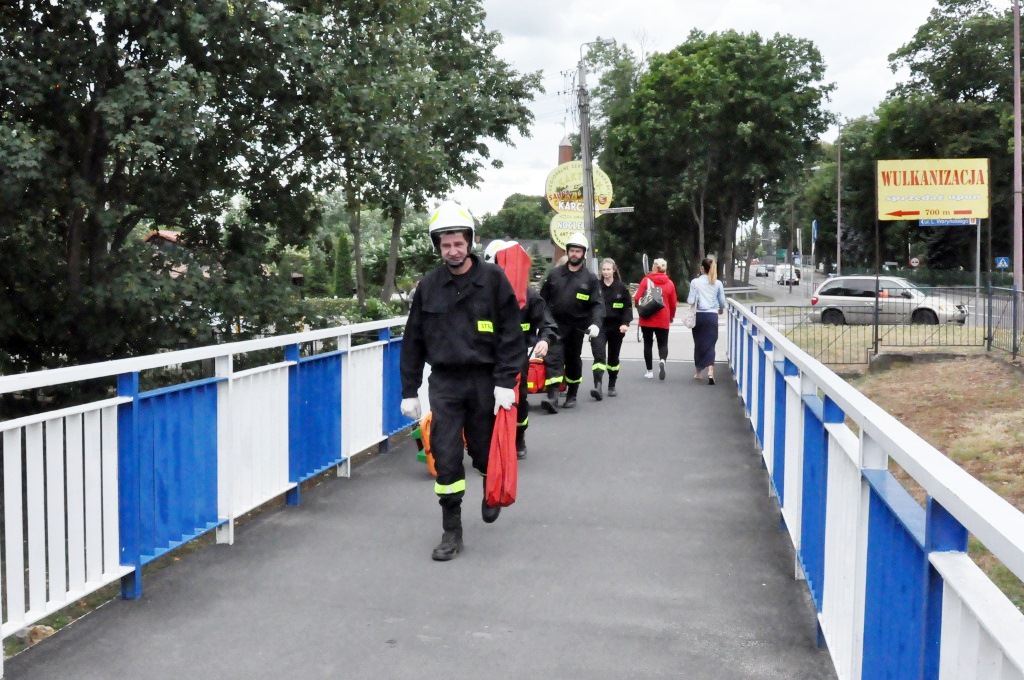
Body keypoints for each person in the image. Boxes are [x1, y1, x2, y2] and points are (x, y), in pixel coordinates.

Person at [400, 203, 523, 561]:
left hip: (486, 381)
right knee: (446, 455)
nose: (453, 250)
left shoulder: (493, 280)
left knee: (484, 450)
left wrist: (505, 381)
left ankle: (489, 485)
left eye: (458, 243)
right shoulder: (429, 287)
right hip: (446, 384)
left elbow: (511, 335)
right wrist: (409, 391)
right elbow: (413, 341)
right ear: (437, 247)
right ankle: (451, 530)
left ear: (469, 241)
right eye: (446, 245)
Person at [483, 240, 557, 460]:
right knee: (484, 399)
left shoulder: (529, 296)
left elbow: (547, 323)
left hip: (516, 357)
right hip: (484, 356)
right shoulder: (481, 294)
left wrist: (545, 340)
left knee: (519, 398)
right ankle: (489, 442)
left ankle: (518, 437)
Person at [539, 232, 604, 410]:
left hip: (577, 328)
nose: (574, 254)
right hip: (555, 326)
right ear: (567, 251)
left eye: (578, 251)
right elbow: (542, 300)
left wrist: (595, 324)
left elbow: (597, 304)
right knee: (553, 358)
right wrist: (543, 320)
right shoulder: (555, 274)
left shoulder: (590, 278)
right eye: (572, 250)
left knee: (573, 360)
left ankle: (572, 394)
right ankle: (552, 396)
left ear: (584, 253)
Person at [590, 257, 632, 398]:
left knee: (613, 358)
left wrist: (625, 324)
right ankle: (597, 386)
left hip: (616, 328)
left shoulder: (621, 288)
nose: (606, 272)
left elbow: (627, 308)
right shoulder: (596, 287)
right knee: (599, 356)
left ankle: (612, 384)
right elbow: (589, 306)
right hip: (599, 326)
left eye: (608, 269)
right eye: (603, 269)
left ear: (613, 270)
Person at [633, 258, 678, 381]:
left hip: (647, 317)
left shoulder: (646, 280)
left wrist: (639, 307)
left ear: (655, 267)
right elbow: (673, 303)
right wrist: (671, 316)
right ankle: (662, 360)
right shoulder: (670, 283)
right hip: (663, 317)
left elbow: (637, 297)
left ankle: (649, 371)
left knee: (647, 344)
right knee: (663, 344)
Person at [688, 257, 727, 385]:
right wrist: (720, 309)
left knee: (698, 343)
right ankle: (710, 371)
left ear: (702, 269)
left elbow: (690, 300)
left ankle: (698, 372)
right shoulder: (718, 283)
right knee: (711, 344)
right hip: (712, 316)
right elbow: (722, 301)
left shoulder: (695, 282)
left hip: (698, 316)